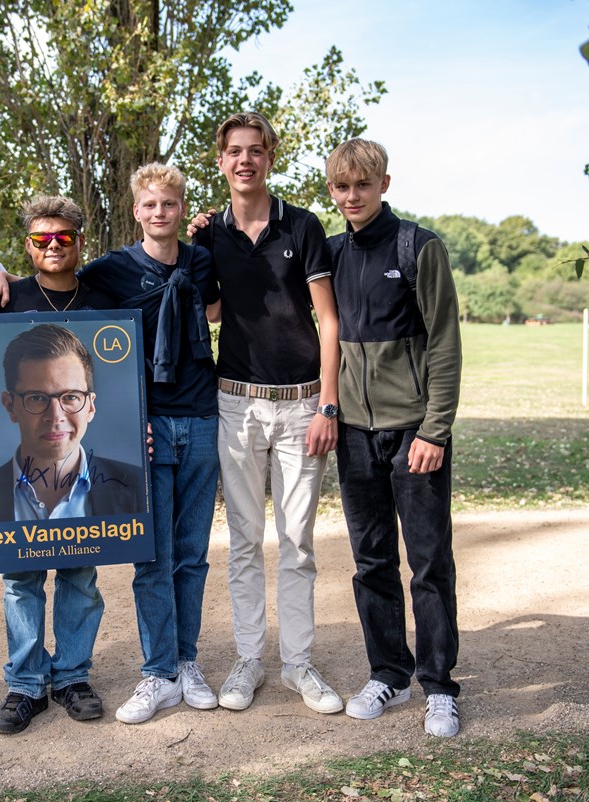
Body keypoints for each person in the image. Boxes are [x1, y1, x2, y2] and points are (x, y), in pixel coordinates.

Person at [190, 111, 343, 715]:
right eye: (234, 151)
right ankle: (250, 658)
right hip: (237, 403)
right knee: (246, 542)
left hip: (304, 402)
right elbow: (209, 314)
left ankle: (298, 664)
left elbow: (328, 319)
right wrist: (191, 240)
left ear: (271, 156)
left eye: (255, 150)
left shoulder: (302, 226)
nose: (245, 160)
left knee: (297, 542)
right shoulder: (208, 236)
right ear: (221, 160)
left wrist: (328, 402)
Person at [324, 138, 463, 737]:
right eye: (341, 187)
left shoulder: (418, 246)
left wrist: (434, 428)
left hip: (415, 434)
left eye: (362, 184)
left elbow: (445, 341)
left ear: (384, 183)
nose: (352, 196)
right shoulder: (327, 254)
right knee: (371, 562)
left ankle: (438, 686)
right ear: (332, 191)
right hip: (353, 433)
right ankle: (388, 674)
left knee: (428, 563)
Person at [77, 164, 221, 724]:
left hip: (202, 417)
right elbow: (57, 283)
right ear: (136, 210)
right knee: (152, 554)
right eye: (150, 205)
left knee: (191, 552)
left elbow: (222, 298)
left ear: (182, 209)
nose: (160, 213)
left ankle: (188, 662)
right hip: (147, 424)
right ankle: (158, 672)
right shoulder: (114, 268)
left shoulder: (201, 260)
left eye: (170, 204)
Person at [0, 197, 118, 735]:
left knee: (81, 573)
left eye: (63, 236)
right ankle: (25, 683)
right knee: (20, 577)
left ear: (80, 242)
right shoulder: (6, 298)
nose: (53, 245)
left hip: (85, 480)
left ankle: (72, 676)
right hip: (17, 481)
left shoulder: (105, 299)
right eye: (41, 239)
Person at [0, 323, 144, 522]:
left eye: (71, 397)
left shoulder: (139, 487)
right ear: (10, 406)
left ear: (91, 407)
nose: (55, 415)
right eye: (37, 397)